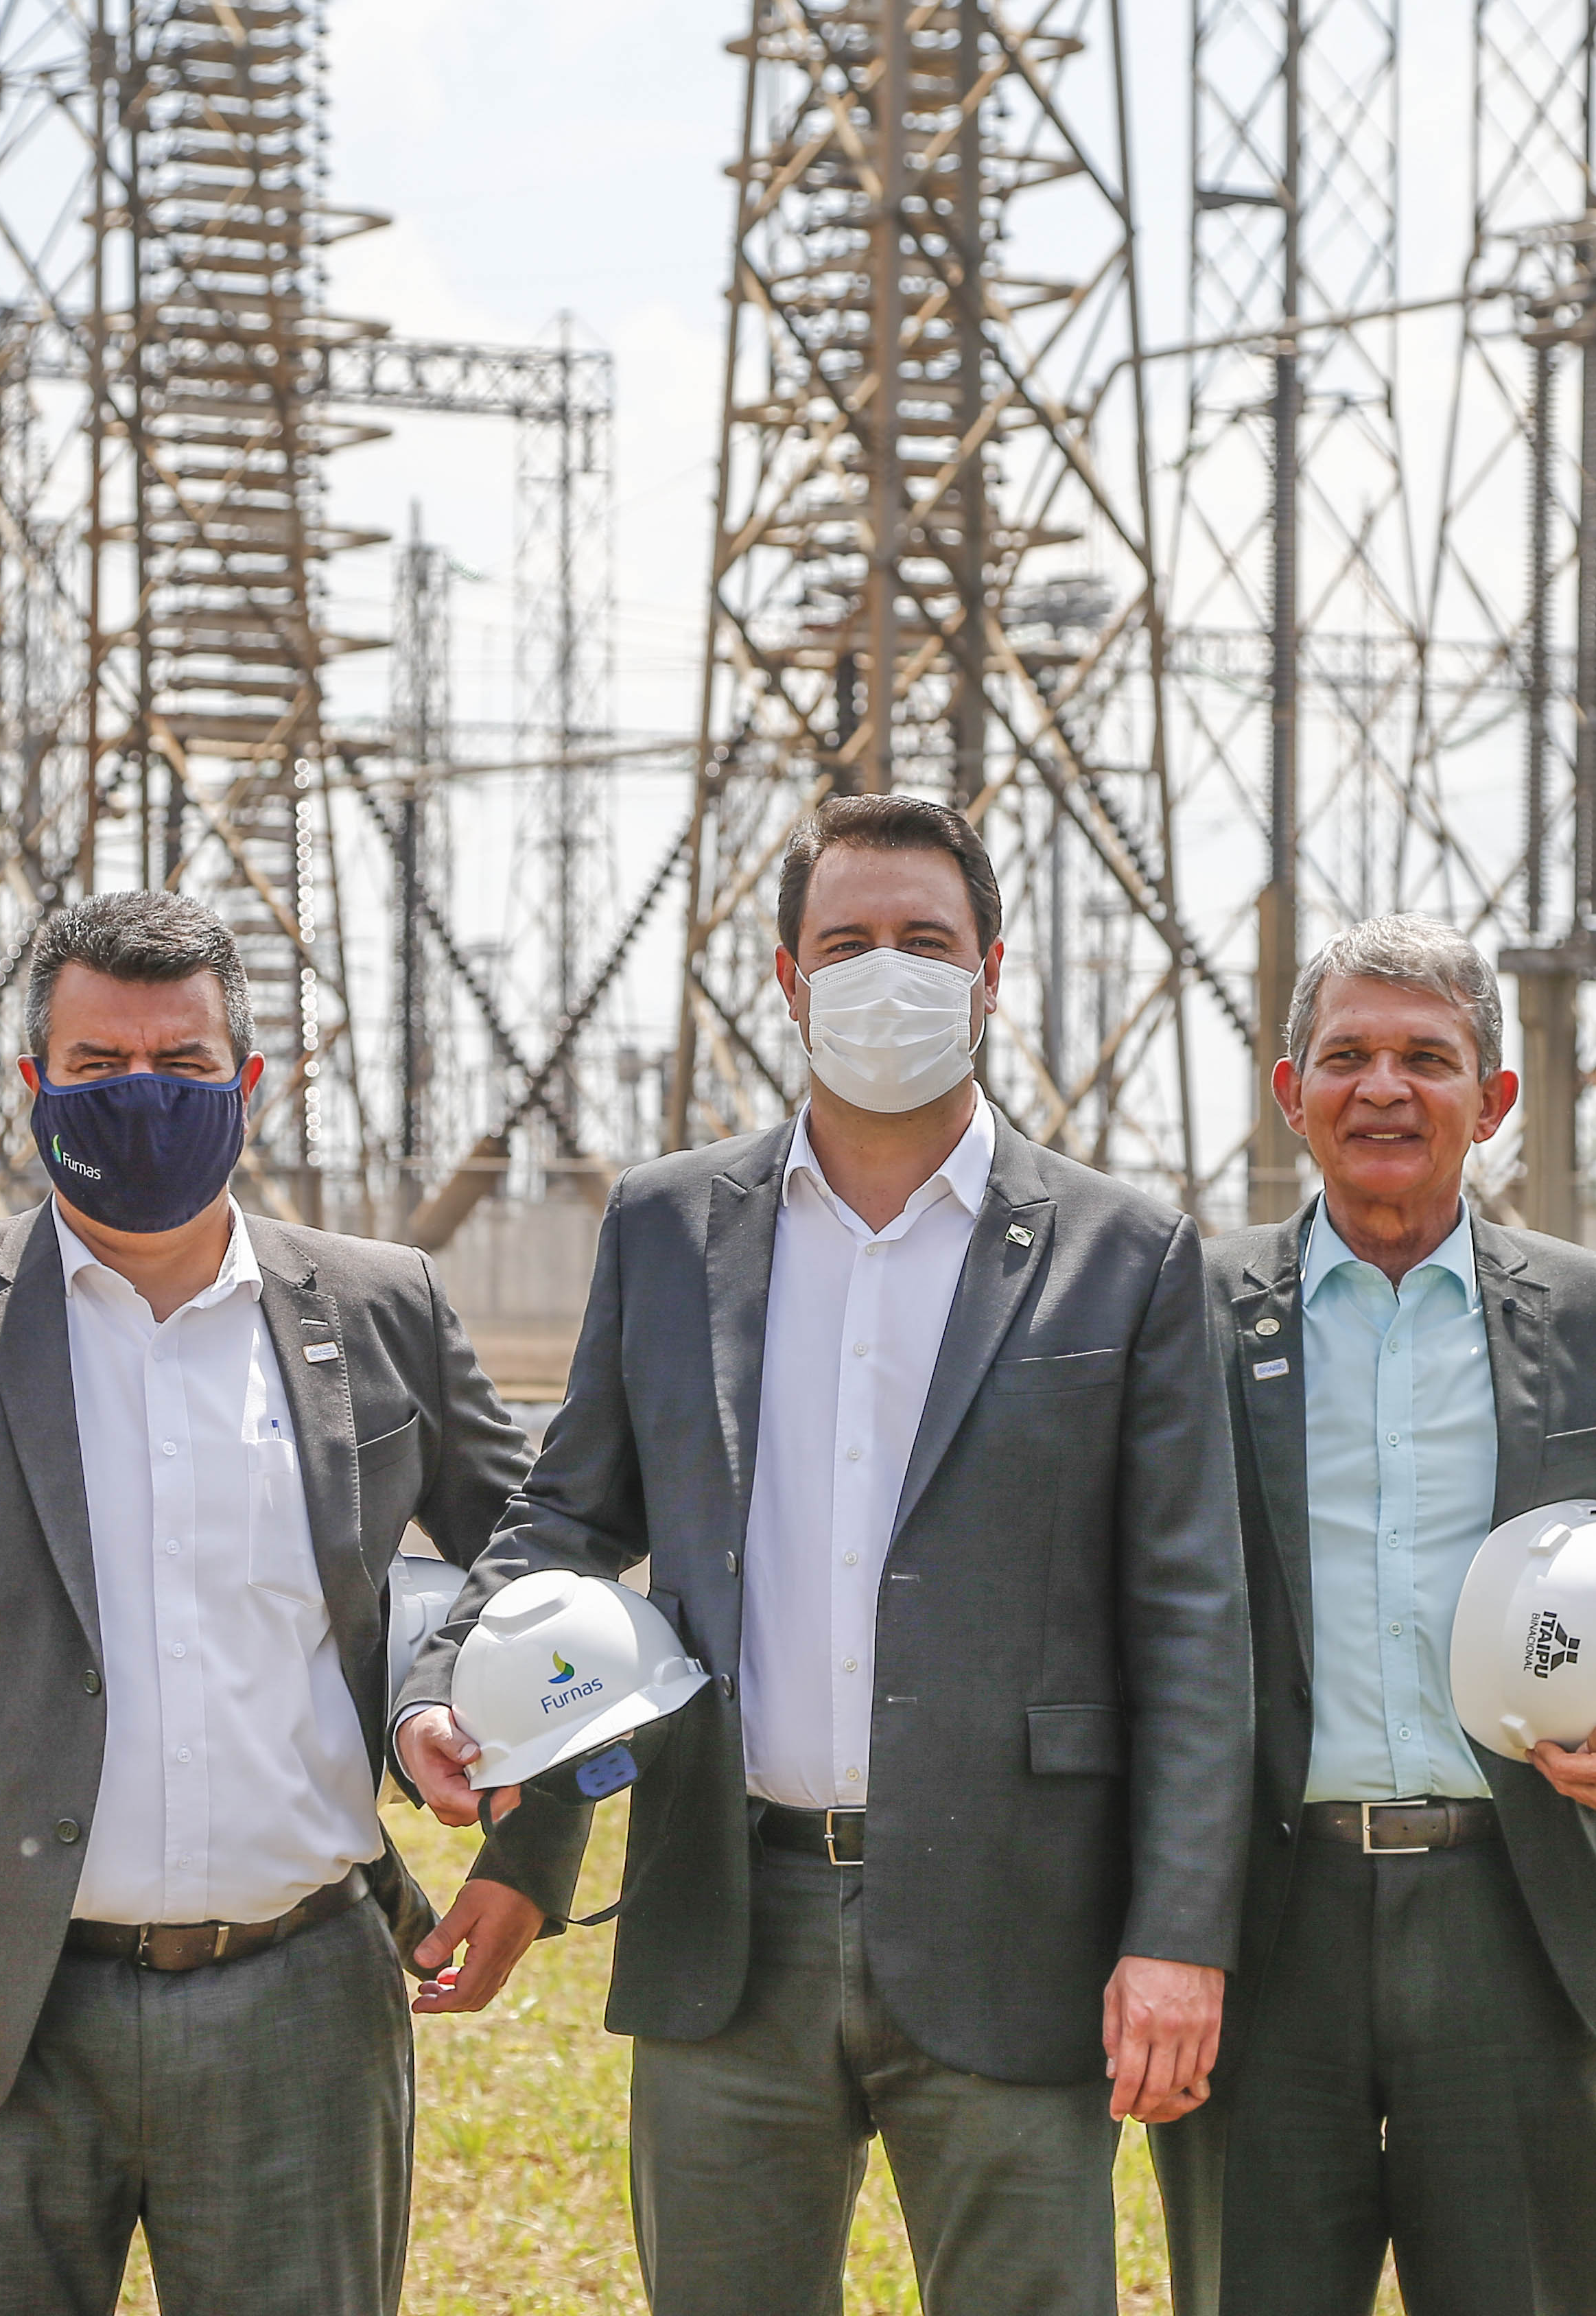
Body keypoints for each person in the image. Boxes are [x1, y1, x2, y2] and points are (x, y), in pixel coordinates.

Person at [394, 791, 1251, 2316]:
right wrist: (454, 1692)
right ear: (788, 981)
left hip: (1014, 1922)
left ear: (991, 975)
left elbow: (1192, 1622)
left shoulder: (1124, 1255)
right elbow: (569, 1521)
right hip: (732, 1917)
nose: (885, 972)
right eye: (847, 944)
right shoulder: (670, 1229)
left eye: (926, 940)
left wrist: (1178, 1936)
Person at [0, 891, 553, 2316]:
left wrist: (532, 1851)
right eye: (98, 1064)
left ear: (247, 1083)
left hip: (302, 2008)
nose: (141, 1094)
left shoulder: (381, 1309)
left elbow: (543, 1572)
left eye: (182, 1065)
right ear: (34, 1083)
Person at [1148, 915, 1596, 2316]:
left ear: (1494, 1098)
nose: (1384, 1088)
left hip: (1516, 1924)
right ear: (1291, 1092)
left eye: (1428, 1057)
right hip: (1263, 1925)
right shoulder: (1185, 1312)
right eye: (1346, 1056)